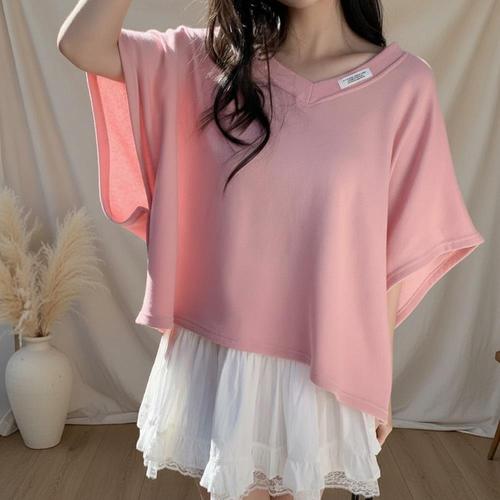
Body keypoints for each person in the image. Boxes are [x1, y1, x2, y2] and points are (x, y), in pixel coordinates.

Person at [57, 0, 484, 499]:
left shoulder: (404, 85)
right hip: (226, 354)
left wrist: (377, 378)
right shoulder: (208, 62)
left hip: (320, 353)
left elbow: (386, 249)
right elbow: (81, 44)